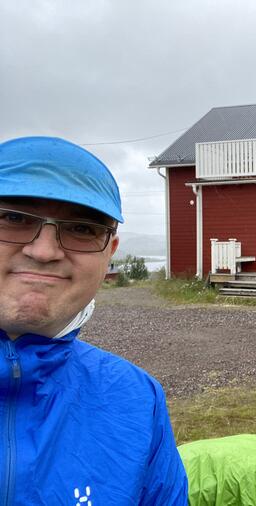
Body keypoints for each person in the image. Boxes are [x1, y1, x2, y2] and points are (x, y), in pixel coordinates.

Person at [0, 137, 187, 504]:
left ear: (110, 254)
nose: (44, 251)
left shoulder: (136, 398)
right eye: (13, 218)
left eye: (82, 228)